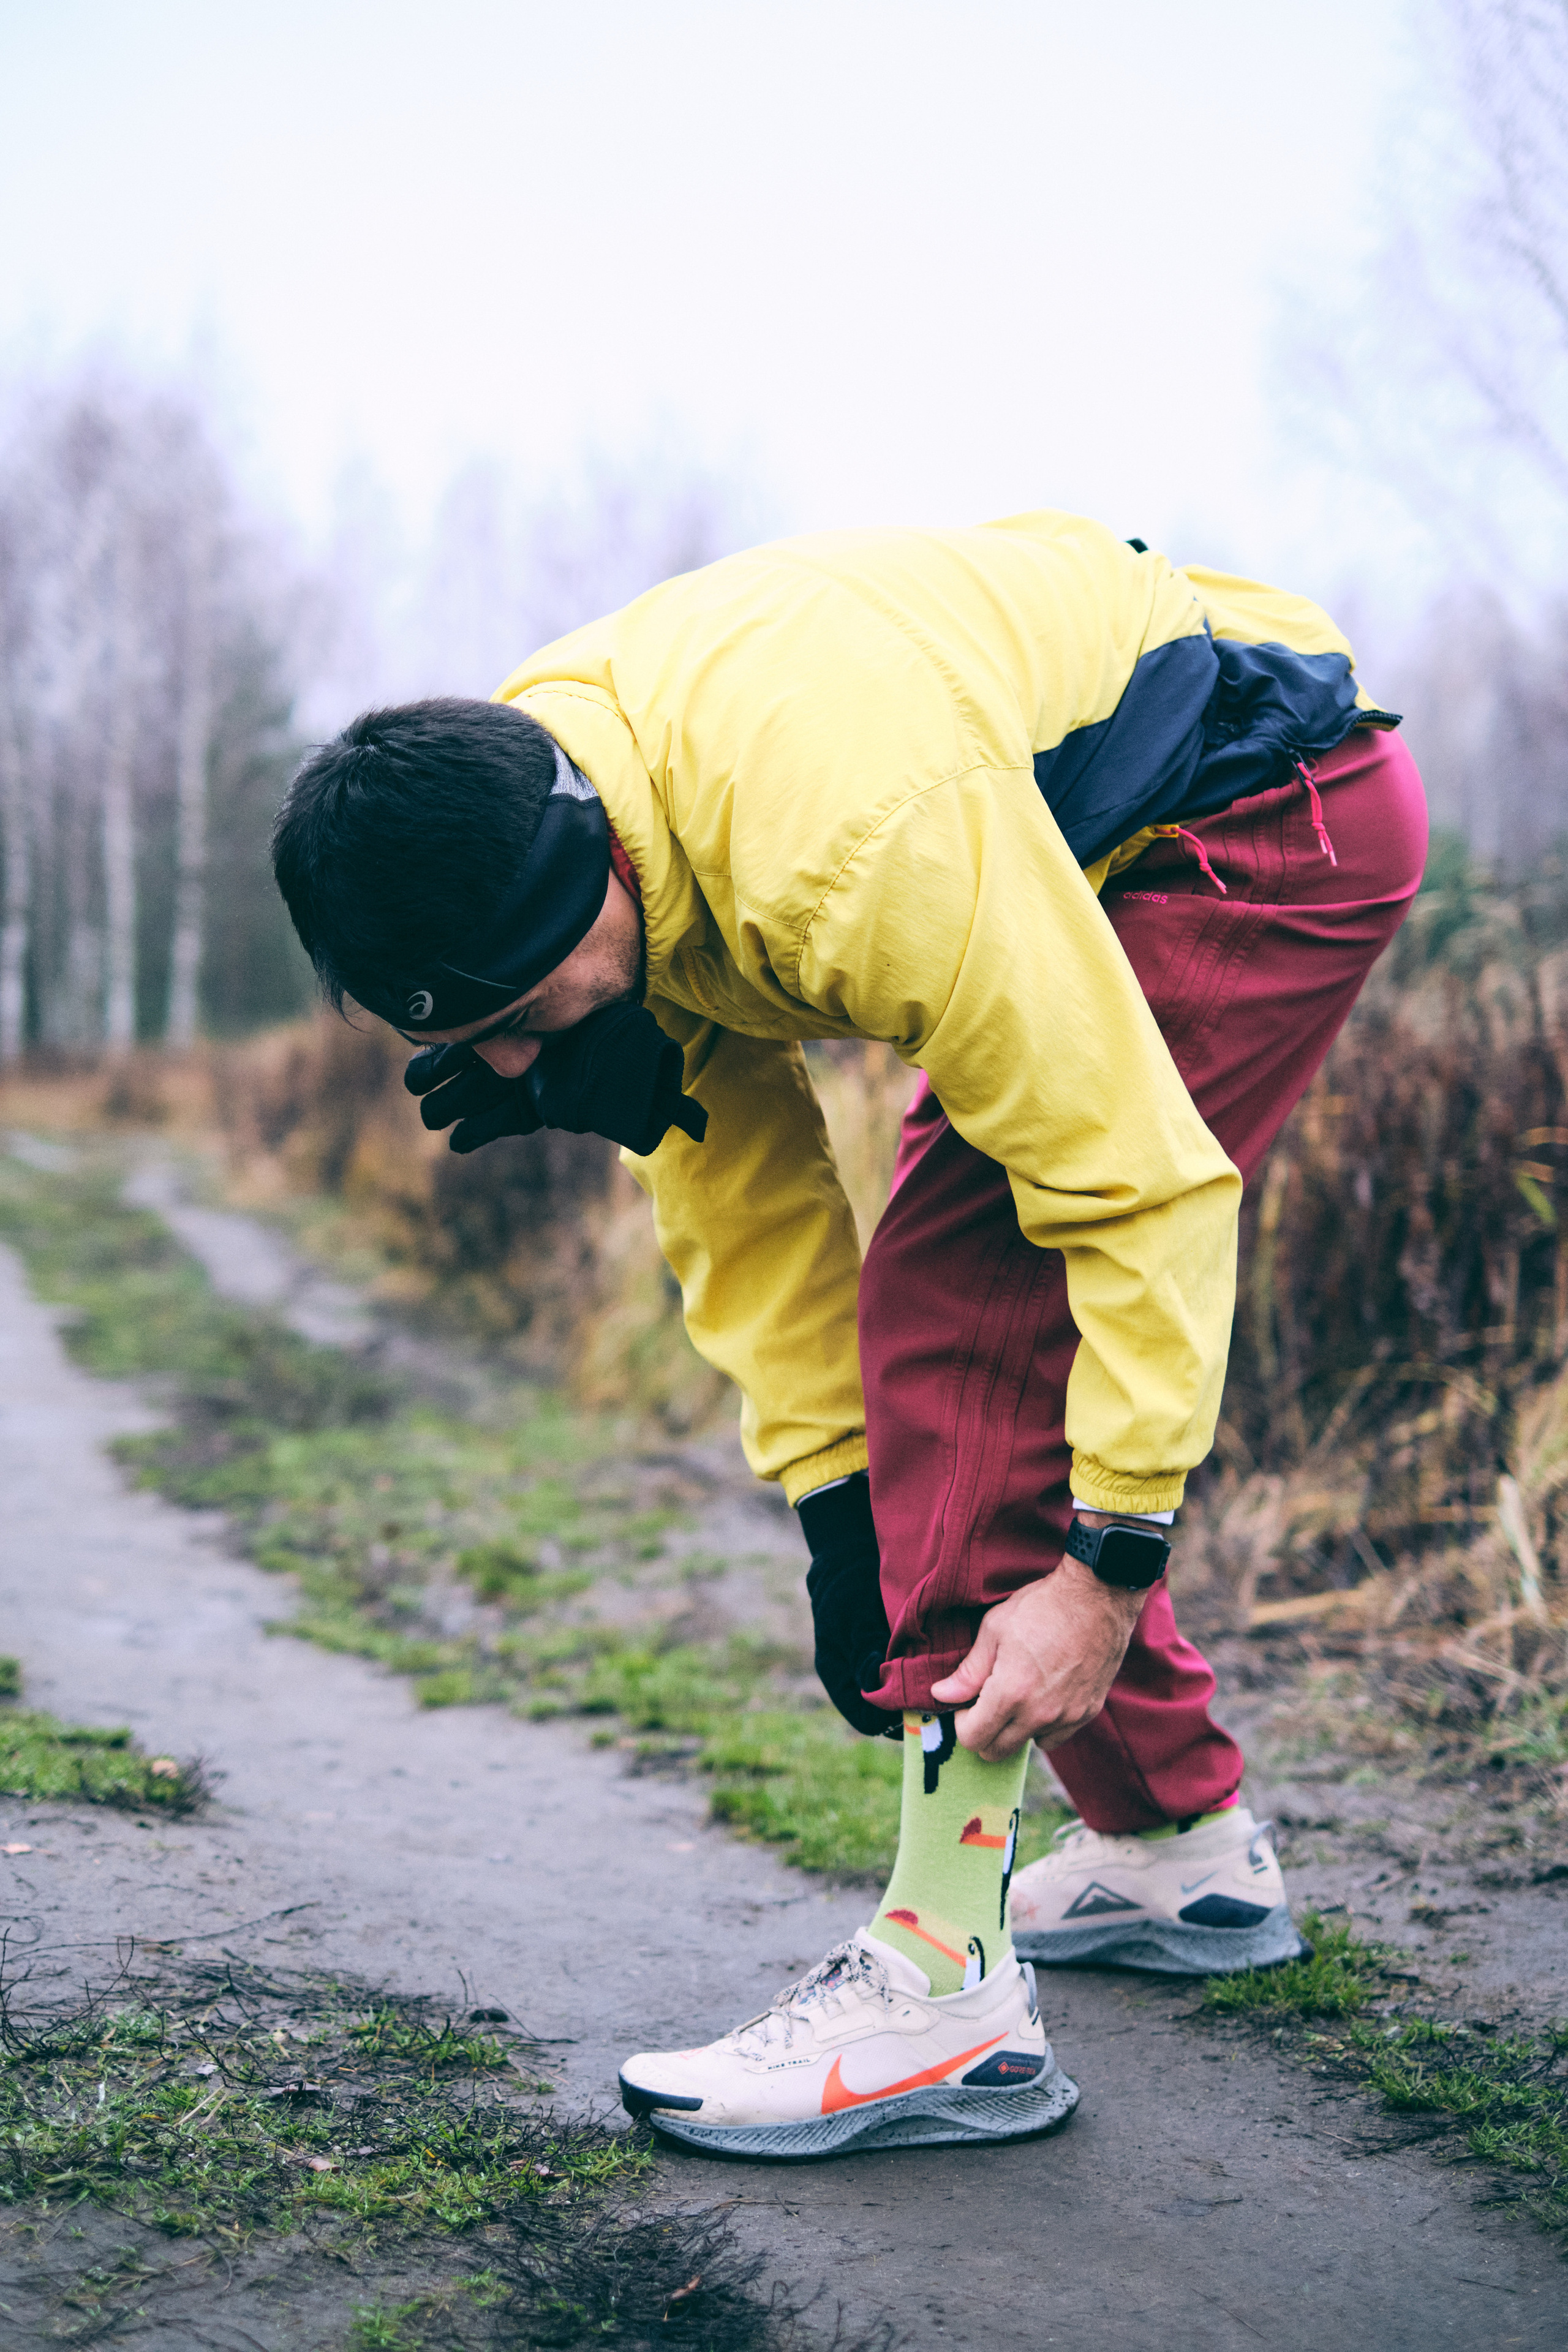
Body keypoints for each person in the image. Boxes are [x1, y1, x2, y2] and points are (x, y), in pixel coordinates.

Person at [271, 509, 1427, 2160]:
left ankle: (945, 1996)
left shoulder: (839, 839)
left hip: (1257, 806)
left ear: (598, 875)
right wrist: (839, 1516)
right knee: (935, 1349)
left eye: (530, 1021)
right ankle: (1179, 1852)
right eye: (481, 1043)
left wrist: (1110, 1559)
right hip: (1056, 818)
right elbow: (742, 1186)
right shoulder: (537, 796)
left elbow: (1141, 1186)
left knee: (967, 1312)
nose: (523, 1072)